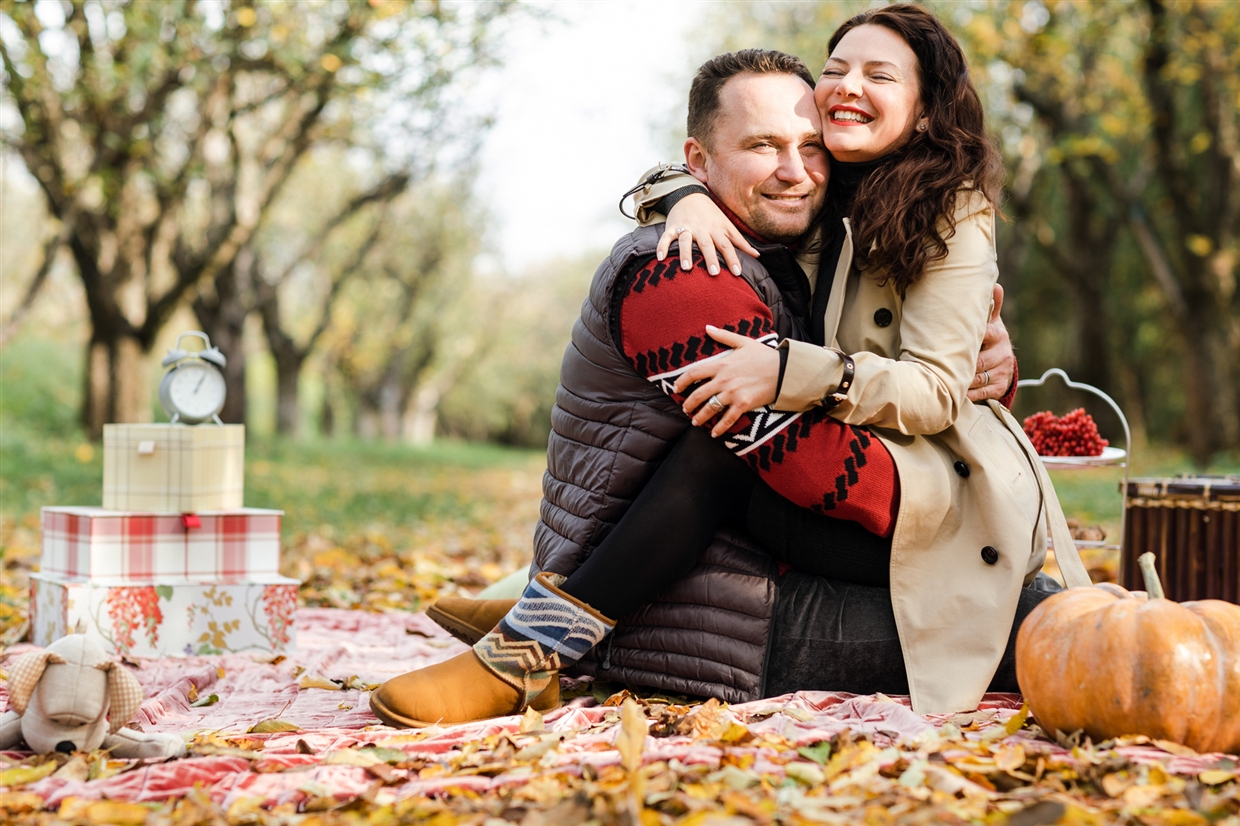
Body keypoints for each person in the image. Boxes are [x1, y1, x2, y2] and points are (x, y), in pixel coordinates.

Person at [371, 13, 1085, 727]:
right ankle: (537, 631)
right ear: (703, 159)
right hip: (815, 543)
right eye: (837, 68)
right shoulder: (747, 240)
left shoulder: (922, 207)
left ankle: (536, 630)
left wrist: (802, 370)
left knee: (1052, 628)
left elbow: (924, 386)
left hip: (935, 502)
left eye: (878, 76)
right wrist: (677, 191)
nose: (796, 167)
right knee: (729, 442)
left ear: (925, 108)